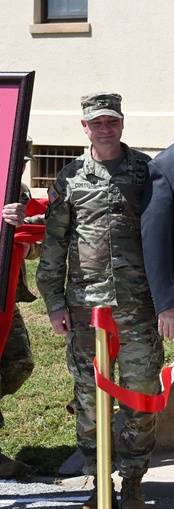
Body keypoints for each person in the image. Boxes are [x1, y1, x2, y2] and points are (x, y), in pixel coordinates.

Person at [36, 93, 162, 509]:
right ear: (84, 126)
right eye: (97, 122)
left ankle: (134, 482)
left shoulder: (146, 171)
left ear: (122, 124)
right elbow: (54, 244)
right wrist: (53, 302)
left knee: (140, 395)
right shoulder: (69, 179)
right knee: (91, 401)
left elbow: (165, 237)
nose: (105, 128)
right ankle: (99, 482)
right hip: (85, 311)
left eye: (112, 121)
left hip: (139, 307)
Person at [0, 137, 35, 480]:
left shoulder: (21, 191)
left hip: (6, 296)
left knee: (19, 363)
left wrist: (25, 225)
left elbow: (32, 249)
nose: (21, 165)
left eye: (24, 160)